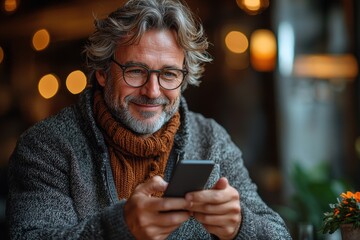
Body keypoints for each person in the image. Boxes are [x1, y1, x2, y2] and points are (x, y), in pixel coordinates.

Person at [6, 0, 292, 239]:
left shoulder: (211, 139)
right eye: (136, 71)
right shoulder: (46, 146)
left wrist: (241, 226)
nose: (152, 91)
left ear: (183, 78)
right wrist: (121, 227)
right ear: (103, 73)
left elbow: (279, 234)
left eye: (168, 74)